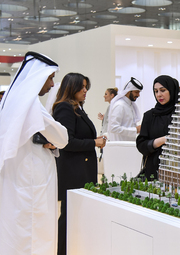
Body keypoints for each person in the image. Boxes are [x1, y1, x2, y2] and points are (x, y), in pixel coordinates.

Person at [0, 52, 68, 255]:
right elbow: (62, 137)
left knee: (16, 233)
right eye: (50, 78)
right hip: (31, 182)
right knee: (35, 235)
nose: (52, 84)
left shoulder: (12, 100)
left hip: (17, 180)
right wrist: (54, 141)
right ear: (38, 77)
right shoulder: (30, 106)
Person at [52, 73, 106, 255]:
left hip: (81, 170)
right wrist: (94, 143)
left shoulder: (77, 108)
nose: (85, 91)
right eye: (82, 87)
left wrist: (94, 140)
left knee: (76, 217)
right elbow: (66, 143)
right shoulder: (65, 108)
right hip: (73, 172)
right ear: (71, 87)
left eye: (86, 87)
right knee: (69, 217)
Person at [136, 75, 180, 180]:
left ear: (172, 90)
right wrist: (162, 140)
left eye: (163, 90)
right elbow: (141, 145)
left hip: (178, 170)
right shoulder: (150, 116)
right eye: (156, 91)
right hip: (154, 170)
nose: (159, 95)